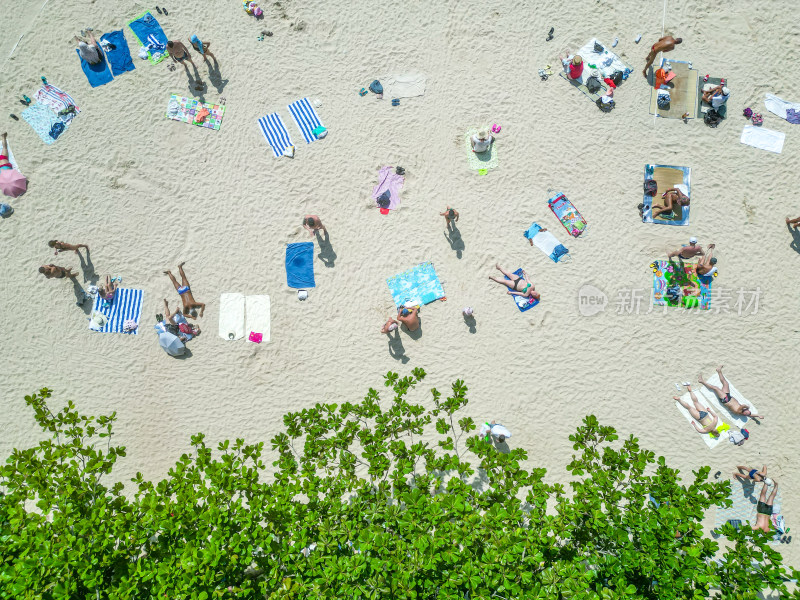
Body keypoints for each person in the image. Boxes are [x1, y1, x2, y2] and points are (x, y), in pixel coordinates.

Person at [699, 366, 764, 419]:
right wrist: (758, 415)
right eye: (747, 412)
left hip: (725, 400)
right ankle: (718, 371)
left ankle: (701, 381)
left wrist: (747, 407)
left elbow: (744, 406)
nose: (746, 412)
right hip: (728, 396)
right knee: (726, 383)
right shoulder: (744, 412)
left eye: (746, 413)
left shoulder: (738, 411)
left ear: (744, 413)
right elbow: (750, 415)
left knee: (715, 388)